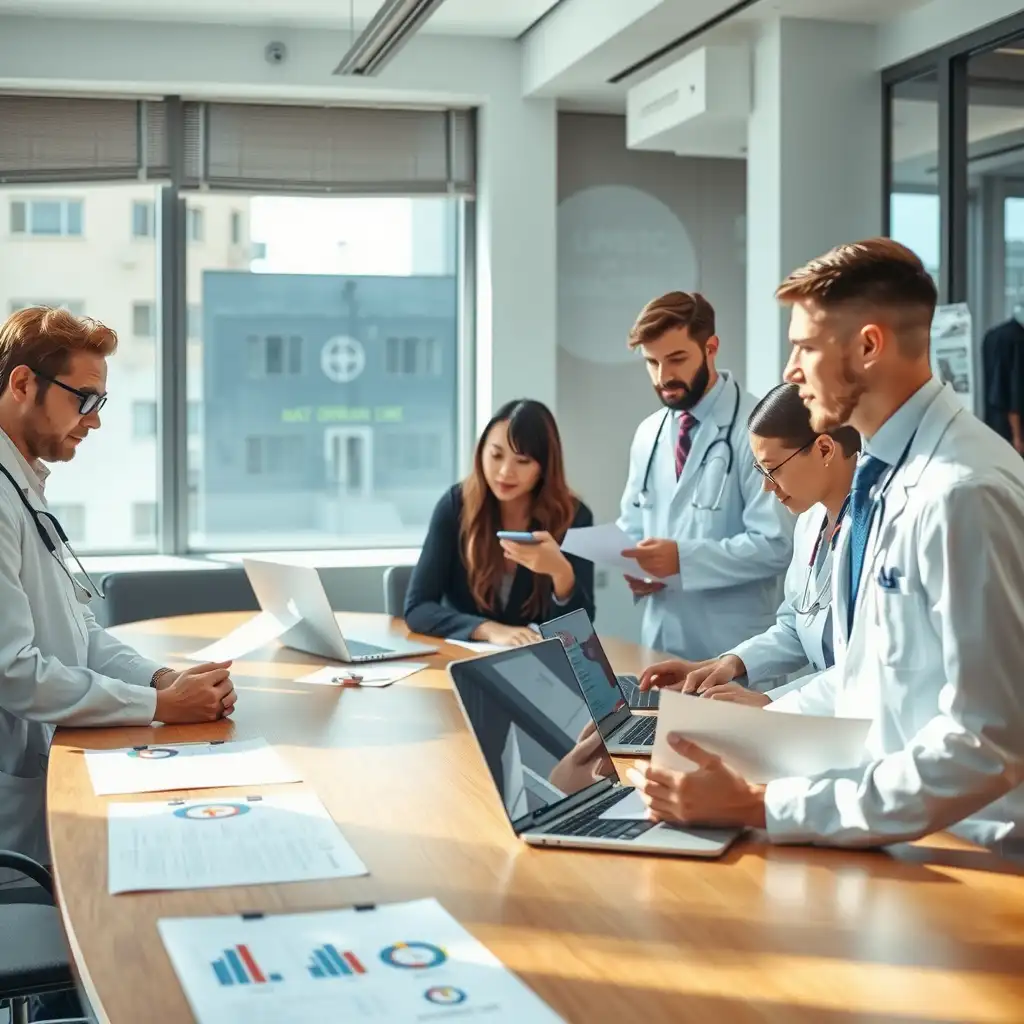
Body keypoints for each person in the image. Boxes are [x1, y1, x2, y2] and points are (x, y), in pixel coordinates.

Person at [629, 239, 1024, 854]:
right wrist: (731, 735)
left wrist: (765, 804)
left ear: (868, 346)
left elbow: (987, 742)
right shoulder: (882, 482)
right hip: (891, 828)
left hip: (970, 851)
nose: (790, 372)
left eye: (805, 347)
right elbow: (865, 679)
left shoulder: (962, 492)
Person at [0, 307, 239, 878]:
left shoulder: (21, 483)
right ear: (22, 383)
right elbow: (13, 671)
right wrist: (160, 707)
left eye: (99, 402)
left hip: (44, 775)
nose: (94, 421)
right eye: (84, 399)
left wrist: (161, 681)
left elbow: (76, 629)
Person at [638, 382, 859, 705]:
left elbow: (865, 668)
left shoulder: (876, 532)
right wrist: (729, 663)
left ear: (825, 449)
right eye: (760, 470)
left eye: (772, 470)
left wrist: (769, 702)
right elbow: (795, 626)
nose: (767, 488)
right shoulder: (810, 523)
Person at [616, 291, 794, 665]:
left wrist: (682, 560)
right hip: (661, 642)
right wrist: (638, 566)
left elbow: (777, 545)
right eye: (652, 362)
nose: (664, 377)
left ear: (710, 348)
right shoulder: (648, 433)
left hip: (732, 651)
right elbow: (633, 525)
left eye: (676, 359)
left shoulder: (757, 428)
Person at [404, 399, 595, 645]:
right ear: (481, 451)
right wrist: (488, 629)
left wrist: (561, 572)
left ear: (544, 467)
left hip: (536, 667)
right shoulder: (455, 506)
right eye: (496, 455)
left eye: (522, 461)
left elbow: (579, 631)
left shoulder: (575, 517)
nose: (505, 471)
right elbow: (417, 609)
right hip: (462, 662)